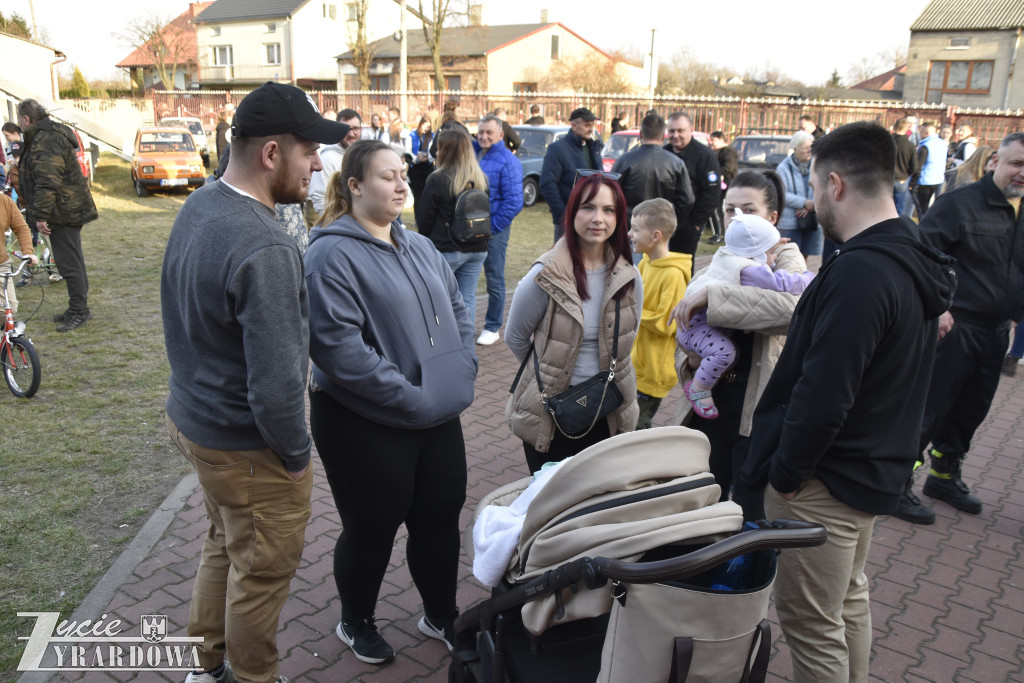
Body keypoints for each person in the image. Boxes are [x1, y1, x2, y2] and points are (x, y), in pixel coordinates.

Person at [732, 122, 955, 682]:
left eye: (812, 185)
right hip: (866, 470)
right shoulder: (908, 253)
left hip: (822, 482)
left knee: (811, 627)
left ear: (835, 184)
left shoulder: (861, 270)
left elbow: (824, 390)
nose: (810, 200)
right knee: (847, 603)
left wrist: (787, 474)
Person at [162, 82, 349, 683]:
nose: (318, 163)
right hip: (248, 446)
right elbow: (277, 383)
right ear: (272, 153)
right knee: (261, 573)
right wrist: (295, 457)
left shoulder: (199, 205)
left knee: (223, 544)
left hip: (199, 425)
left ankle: (204, 664)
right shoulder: (266, 244)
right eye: (308, 151)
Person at [305, 140, 477, 664]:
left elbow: (457, 306)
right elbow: (339, 349)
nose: (402, 184)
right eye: (387, 177)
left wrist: (463, 362)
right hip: (364, 421)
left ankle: (440, 613)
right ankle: (355, 621)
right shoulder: (328, 253)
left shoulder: (420, 246)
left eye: (404, 174)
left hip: (434, 414)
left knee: (439, 518)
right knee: (373, 527)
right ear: (354, 186)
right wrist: (411, 398)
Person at [896, 132, 1024, 525]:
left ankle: (944, 477)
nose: (1022, 173)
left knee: (972, 408)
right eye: (1016, 163)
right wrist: (940, 306)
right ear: (994, 163)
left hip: (997, 330)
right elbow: (920, 254)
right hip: (956, 326)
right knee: (930, 408)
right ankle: (897, 484)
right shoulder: (959, 205)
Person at [671, 169, 808, 499]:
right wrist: (689, 360)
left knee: (748, 506)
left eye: (749, 209)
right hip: (713, 399)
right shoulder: (720, 261)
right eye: (730, 209)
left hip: (756, 406)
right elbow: (685, 328)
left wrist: (714, 298)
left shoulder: (786, 260)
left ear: (772, 218)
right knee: (700, 496)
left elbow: (794, 311)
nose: (737, 218)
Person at [506, 173, 643, 473]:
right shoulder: (545, 276)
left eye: (609, 210)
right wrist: (549, 369)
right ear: (572, 211)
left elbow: (629, 336)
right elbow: (515, 337)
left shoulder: (629, 276)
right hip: (553, 411)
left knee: (600, 501)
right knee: (552, 503)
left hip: (608, 409)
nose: (598, 218)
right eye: (588, 207)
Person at [677, 211, 814, 420]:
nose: (774, 257)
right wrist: (808, 279)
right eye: (770, 252)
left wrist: (772, 244)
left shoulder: (728, 256)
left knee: (732, 355)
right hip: (698, 329)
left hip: (695, 327)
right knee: (726, 353)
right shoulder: (749, 270)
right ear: (755, 253)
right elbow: (781, 283)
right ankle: (698, 389)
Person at [17, 99, 97, 332]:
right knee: (73, 260)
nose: (20, 125)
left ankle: (79, 311)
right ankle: (78, 307)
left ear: (27, 119)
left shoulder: (46, 139)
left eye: (21, 120)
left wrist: (41, 215)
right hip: (66, 208)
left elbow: (47, 181)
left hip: (63, 211)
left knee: (68, 263)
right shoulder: (45, 135)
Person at [628, 198, 690, 429]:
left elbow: (668, 322)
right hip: (634, 364)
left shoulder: (673, 275)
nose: (629, 233)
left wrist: (631, 311)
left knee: (636, 427)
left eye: (635, 229)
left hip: (652, 371)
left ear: (655, 235)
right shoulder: (644, 263)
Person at [416, 128, 490, 322]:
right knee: (468, 299)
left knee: (438, 300)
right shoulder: (480, 179)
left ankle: (444, 344)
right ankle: (466, 346)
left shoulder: (438, 179)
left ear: (445, 150)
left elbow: (424, 219)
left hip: (448, 249)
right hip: (477, 247)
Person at [475, 115, 524, 345]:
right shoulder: (475, 154)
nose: (484, 136)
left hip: (494, 230)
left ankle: (493, 326)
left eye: (489, 133)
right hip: (471, 228)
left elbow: (514, 202)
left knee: (494, 277)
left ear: (501, 135)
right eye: (480, 132)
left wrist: (492, 228)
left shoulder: (508, 161)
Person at [610, 112, 694, 233]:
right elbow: (687, 200)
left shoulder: (624, 161)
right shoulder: (676, 163)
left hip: (630, 228)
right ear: (662, 137)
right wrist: (671, 222)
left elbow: (612, 196)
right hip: (660, 229)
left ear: (640, 135)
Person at [664, 112, 722, 267]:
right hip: (662, 223)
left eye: (680, 130)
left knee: (682, 269)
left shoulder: (704, 156)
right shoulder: (664, 153)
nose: (675, 135)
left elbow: (711, 192)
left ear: (691, 129)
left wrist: (696, 223)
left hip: (687, 225)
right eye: (671, 131)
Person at [539, 107, 604, 242]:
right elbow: (547, 184)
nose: (590, 129)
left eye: (592, 125)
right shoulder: (557, 149)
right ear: (574, 125)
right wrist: (563, 216)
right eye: (587, 125)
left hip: (593, 217)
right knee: (566, 259)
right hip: (568, 220)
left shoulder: (594, 148)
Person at [776, 130, 820, 259]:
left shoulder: (817, 165)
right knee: (790, 256)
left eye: (811, 147)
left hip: (811, 217)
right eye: (805, 147)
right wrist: (804, 202)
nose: (809, 150)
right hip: (790, 221)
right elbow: (781, 194)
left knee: (805, 254)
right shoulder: (783, 168)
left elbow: (822, 188)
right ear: (795, 148)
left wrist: (810, 206)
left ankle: (803, 279)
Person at [309, 108, 361, 214]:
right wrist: (337, 226)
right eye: (347, 129)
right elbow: (319, 200)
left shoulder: (362, 155)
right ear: (339, 130)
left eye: (355, 128)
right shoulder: (327, 159)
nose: (351, 134)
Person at [0, 193, 37, 314]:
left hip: (1, 264)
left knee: (9, 309)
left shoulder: (4, 201)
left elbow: (21, 228)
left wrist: (28, 252)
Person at [708, 131, 739, 244]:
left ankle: (722, 234)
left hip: (727, 185)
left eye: (714, 140)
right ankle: (719, 233)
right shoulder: (718, 151)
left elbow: (728, 167)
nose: (711, 142)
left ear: (721, 139)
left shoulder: (728, 152)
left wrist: (718, 174)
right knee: (716, 208)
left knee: (722, 209)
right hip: (720, 184)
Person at [912, 122, 948, 218]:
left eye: (921, 132)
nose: (919, 135)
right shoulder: (943, 143)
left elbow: (918, 166)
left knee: (922, 208)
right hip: (938, 179)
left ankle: (922, 228)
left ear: (926, 133)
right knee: (931, 206)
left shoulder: (925, 146)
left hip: (924, 180)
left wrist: (912, 183)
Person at [892, 118, 920, 215]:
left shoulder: (887, 142)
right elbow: (914, 166)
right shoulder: (910, 145)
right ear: (907, 130)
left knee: (885, 206)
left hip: (887, 178)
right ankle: (895, 228)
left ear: (895, 127)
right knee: (899, 207)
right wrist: (908, 174)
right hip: (902, 179)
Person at [408, 116, 435, 213]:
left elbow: (433, 151)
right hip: (415, 168)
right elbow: (408, 151)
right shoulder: (412, 135)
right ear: (421, 125)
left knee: (427, 194)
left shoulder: (432, 136)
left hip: (427, 167)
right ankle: (417, 217)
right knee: (417, 194)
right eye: (425, 126)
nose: (426, 129)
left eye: (429, 127)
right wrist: (416, 158)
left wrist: (428, 158)